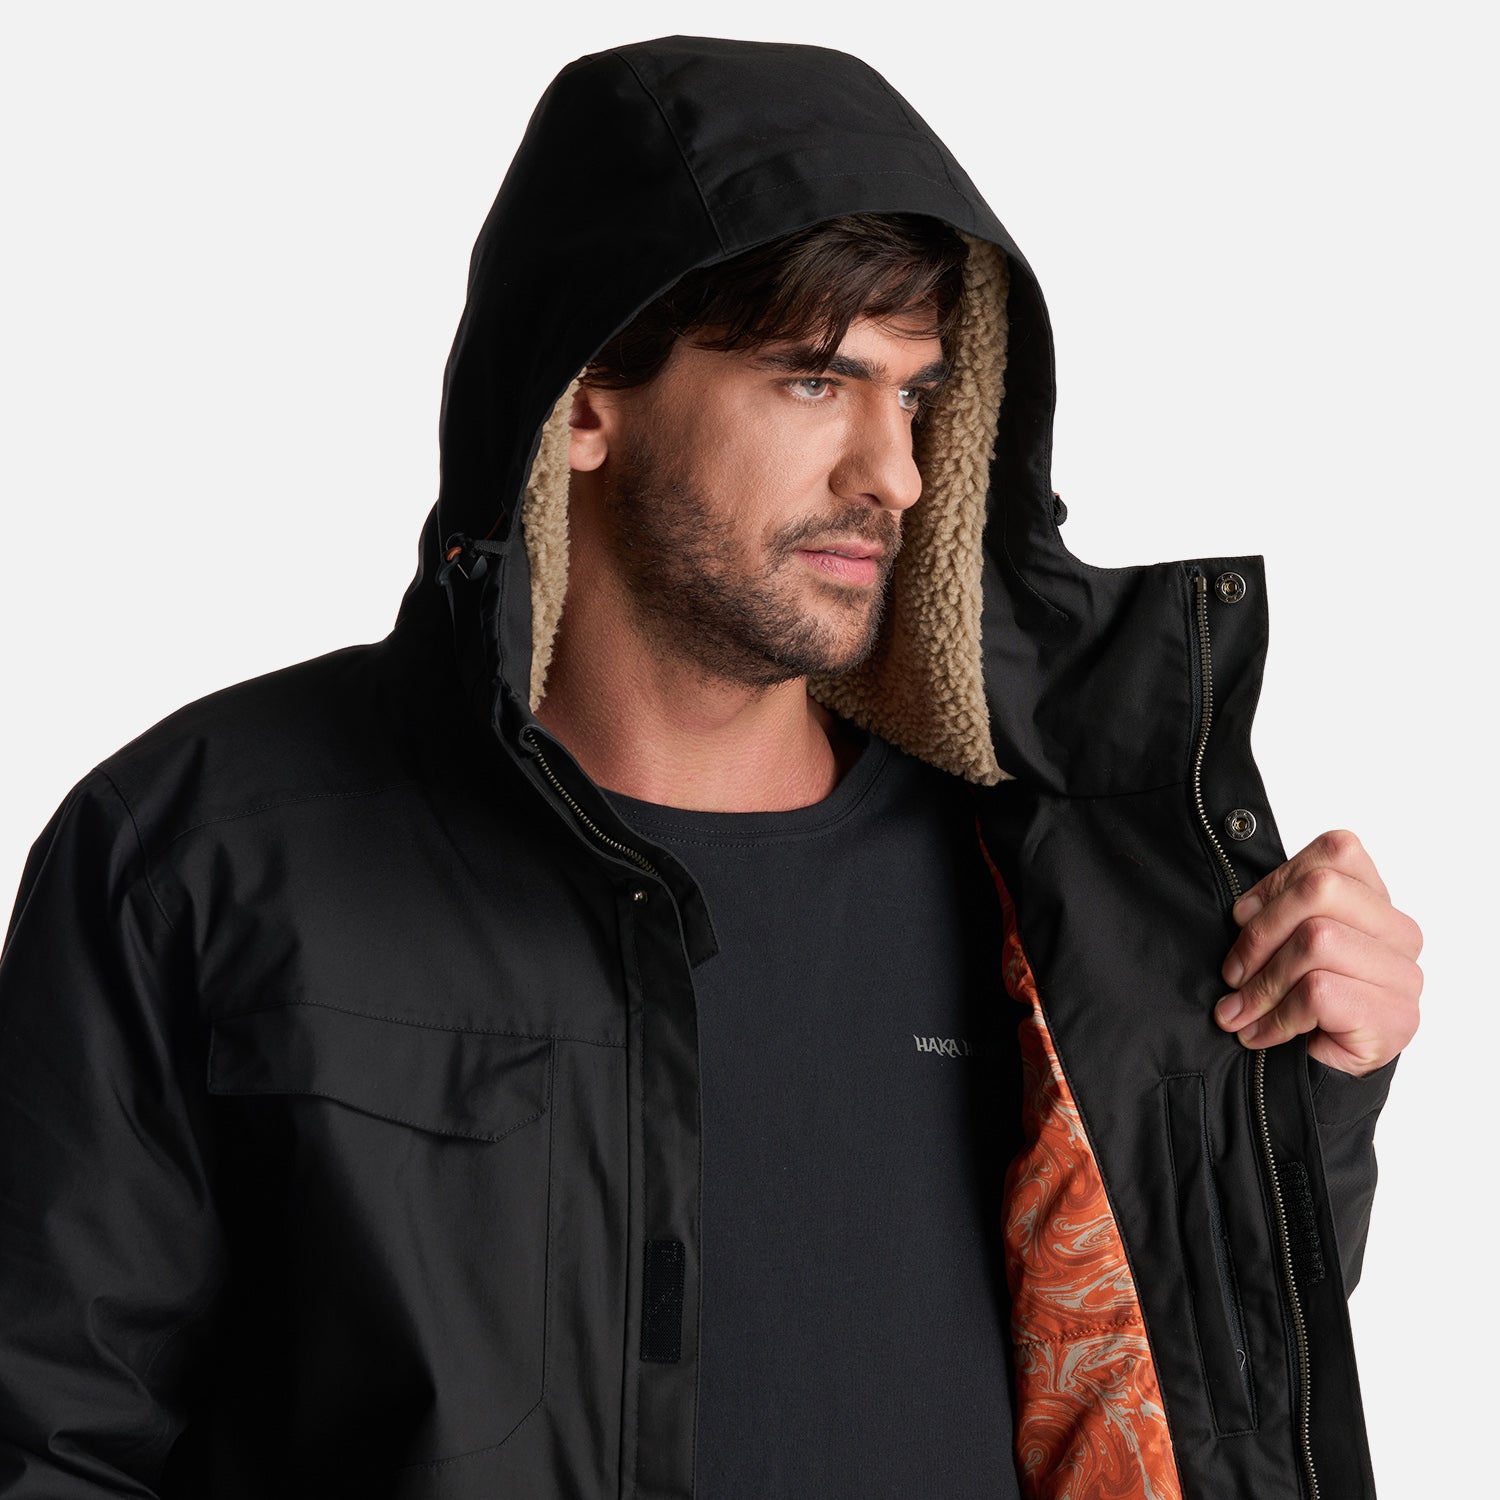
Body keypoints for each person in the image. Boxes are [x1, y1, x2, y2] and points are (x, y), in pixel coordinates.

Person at [0, 33, 1421, 1500]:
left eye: (917, 394)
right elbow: (52, 1440)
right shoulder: (203, 854)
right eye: (815, 382)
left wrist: (1305, 1077)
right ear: (585, 402)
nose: (894, 473)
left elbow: (1181, 1402)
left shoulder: (1050, 879)